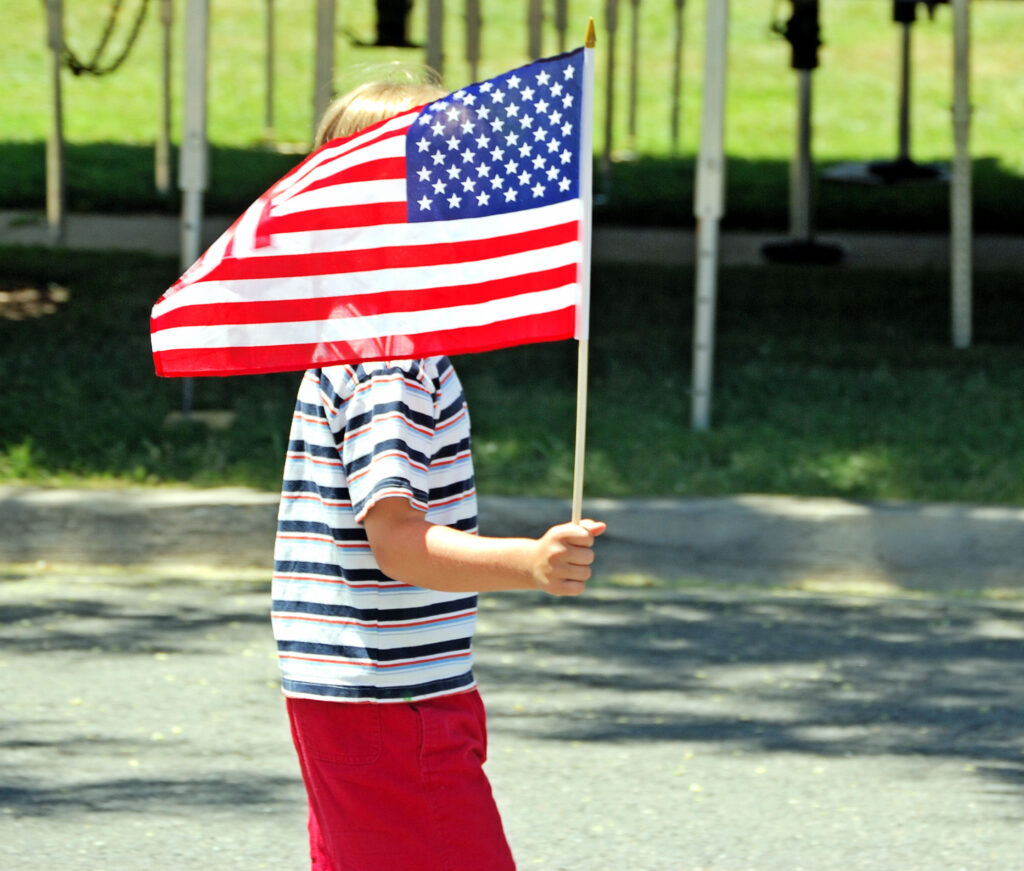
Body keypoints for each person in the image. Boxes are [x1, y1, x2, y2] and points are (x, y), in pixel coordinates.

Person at [272, 72, 607, 871]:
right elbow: (398, 542)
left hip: (365, 694)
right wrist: (529, 561)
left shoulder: (367, 334)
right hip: (391, 703)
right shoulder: (392, 355)